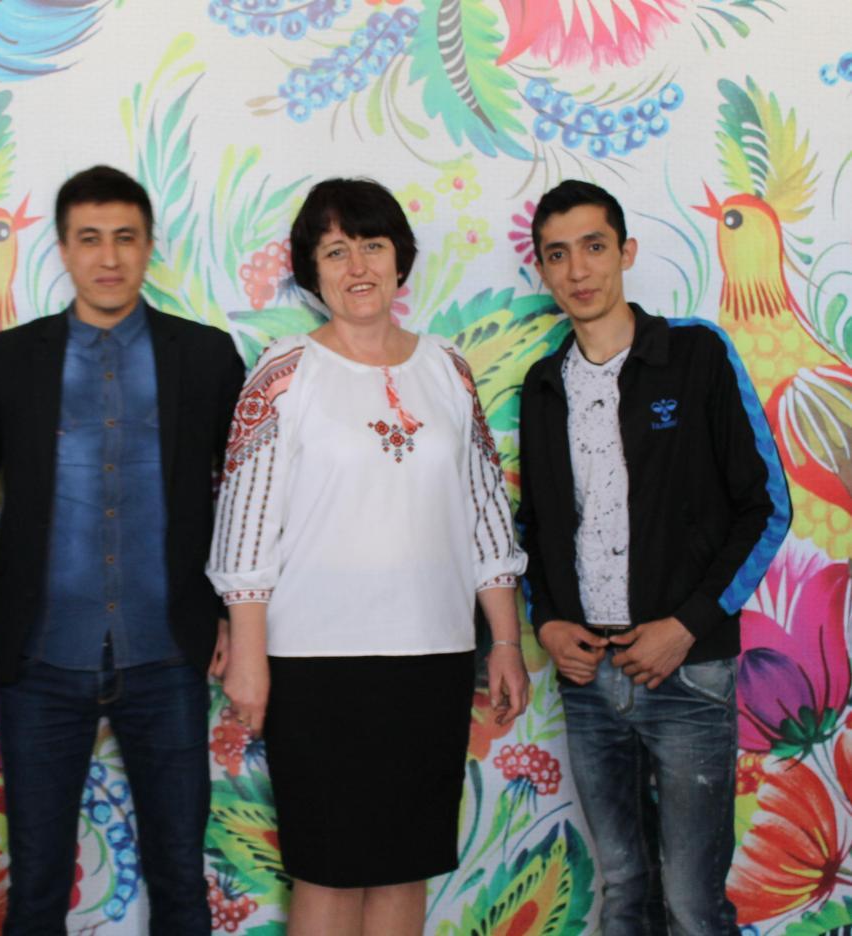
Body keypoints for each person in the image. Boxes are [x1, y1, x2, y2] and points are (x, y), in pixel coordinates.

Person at [208, 177, 529, 936]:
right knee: (327, 870)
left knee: (404, 866)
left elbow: (485, 512)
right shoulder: (284, 371)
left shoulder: (448, 368)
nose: (358, 266)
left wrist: (506, 641)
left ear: (399, 259)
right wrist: (249, 656)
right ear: (312, 272)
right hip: (316, 663)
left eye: (372, 246)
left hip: (434, 657)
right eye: (335, 251)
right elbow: (245, 525)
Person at [0, 164, 245, 935]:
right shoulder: (12, 359)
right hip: (41, 660)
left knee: (180, 879)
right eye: (90, 239)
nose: (109, 257)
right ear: (65, 250)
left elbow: (247, 497)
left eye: (125, 238)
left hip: (168, 656)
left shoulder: (205, 357)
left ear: (148, 246)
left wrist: (231, 613)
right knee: (37, 884)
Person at [516, 179, 792, 935]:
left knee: (693, 903)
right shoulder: (543, 385)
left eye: (594, 247)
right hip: (588, 679)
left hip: (688, 673)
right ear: (542, 270)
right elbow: (537, 526)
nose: (578, 270)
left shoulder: (695, 354)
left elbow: (767, 507)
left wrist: (687, 625)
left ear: (626, 252)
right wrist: (548, 622)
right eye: (557, 255)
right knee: (624, 889)